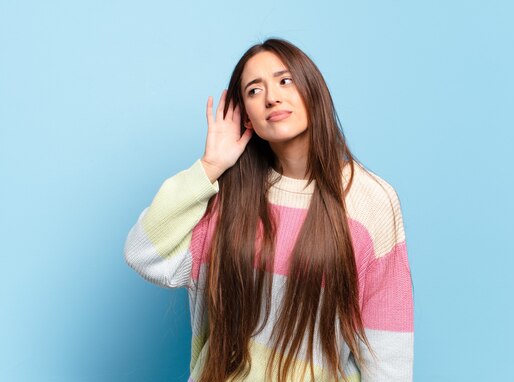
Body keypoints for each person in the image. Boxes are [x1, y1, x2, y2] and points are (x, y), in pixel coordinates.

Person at [124, 37, 414, 382]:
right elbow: (144, 254)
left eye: (284, 80)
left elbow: (388, 351)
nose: (272, 97)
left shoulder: (370, 200)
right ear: (245, 117)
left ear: (312, 89)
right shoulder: (227, 196)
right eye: (254, 90)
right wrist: (209, 166)